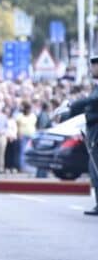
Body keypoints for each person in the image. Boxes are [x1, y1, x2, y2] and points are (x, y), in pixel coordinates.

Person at [58, 55, 98, 216]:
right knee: (94, 170)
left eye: (94, 65)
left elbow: (92, 102)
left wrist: (71, 105)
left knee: (95, 169)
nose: (92, 68)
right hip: (93, 134)